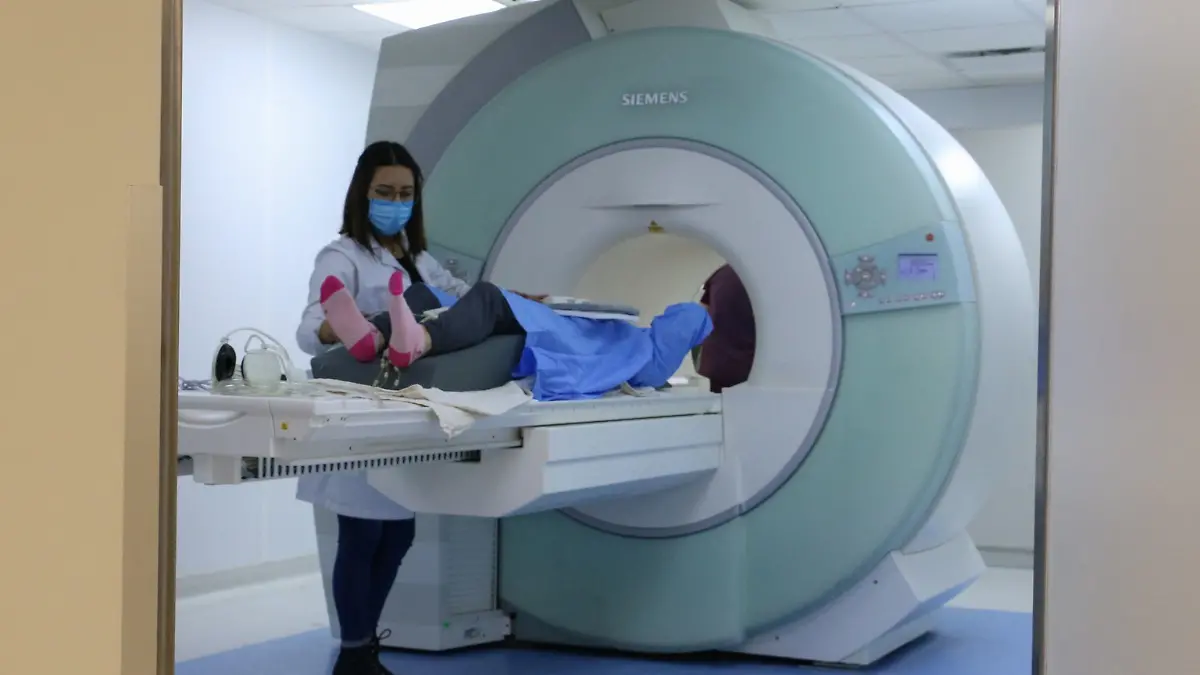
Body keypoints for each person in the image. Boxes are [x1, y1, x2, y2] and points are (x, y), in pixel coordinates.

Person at [295, 141, 517, 675]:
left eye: (404, 194)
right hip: (361, 399)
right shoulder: (341, 256)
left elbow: (461, 296)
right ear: (362, 194)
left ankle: (363, 645)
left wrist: (511, 302)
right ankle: (355, 654)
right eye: (384, 192)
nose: (395, 203)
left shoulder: (418, 259)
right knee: (361, 533)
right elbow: (306, 331)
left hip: (407, 401)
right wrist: (336, 328)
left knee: (397, 533)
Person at [695, 264, 756, 393]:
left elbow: (701, 314)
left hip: (717, 363)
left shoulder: (721, 272)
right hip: (748, 365)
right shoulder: (765, 277)